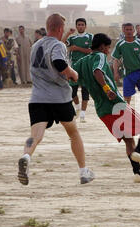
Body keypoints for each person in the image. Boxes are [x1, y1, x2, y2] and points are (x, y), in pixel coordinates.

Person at [18, 13, 95, 186]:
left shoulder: (36, 45)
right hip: (59, 98)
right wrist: (73, 74)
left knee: (35, 136)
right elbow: (60, 63)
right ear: (60, 29)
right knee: (73, 133)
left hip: (37, 98)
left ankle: (26, 156)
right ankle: (83, 172)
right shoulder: (58, 45)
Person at [73, 33, 140, 183]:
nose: (109, 51)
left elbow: (71, 78)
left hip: (102, 111)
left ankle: (138, 174)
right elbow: (97, 71)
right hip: (116, 104)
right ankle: (139, 153)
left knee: (128, 140)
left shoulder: (81, 62)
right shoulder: (100, 56)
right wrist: (106, 88)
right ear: (102, 46)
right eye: (108, 47)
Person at [62, 18, 93, 123]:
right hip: (74, 67)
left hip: (86, 67)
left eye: (82, 24)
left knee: (85, 91)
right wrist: (68, 33)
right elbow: (62, 42)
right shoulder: (72, 38)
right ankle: (78, 107)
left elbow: (91, 51)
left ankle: (83, 115)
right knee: (73, 91)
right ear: (76, 26)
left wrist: (77, 48)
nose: (80, 26)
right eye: (78, 25)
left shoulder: (90, 37)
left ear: (85, 26)